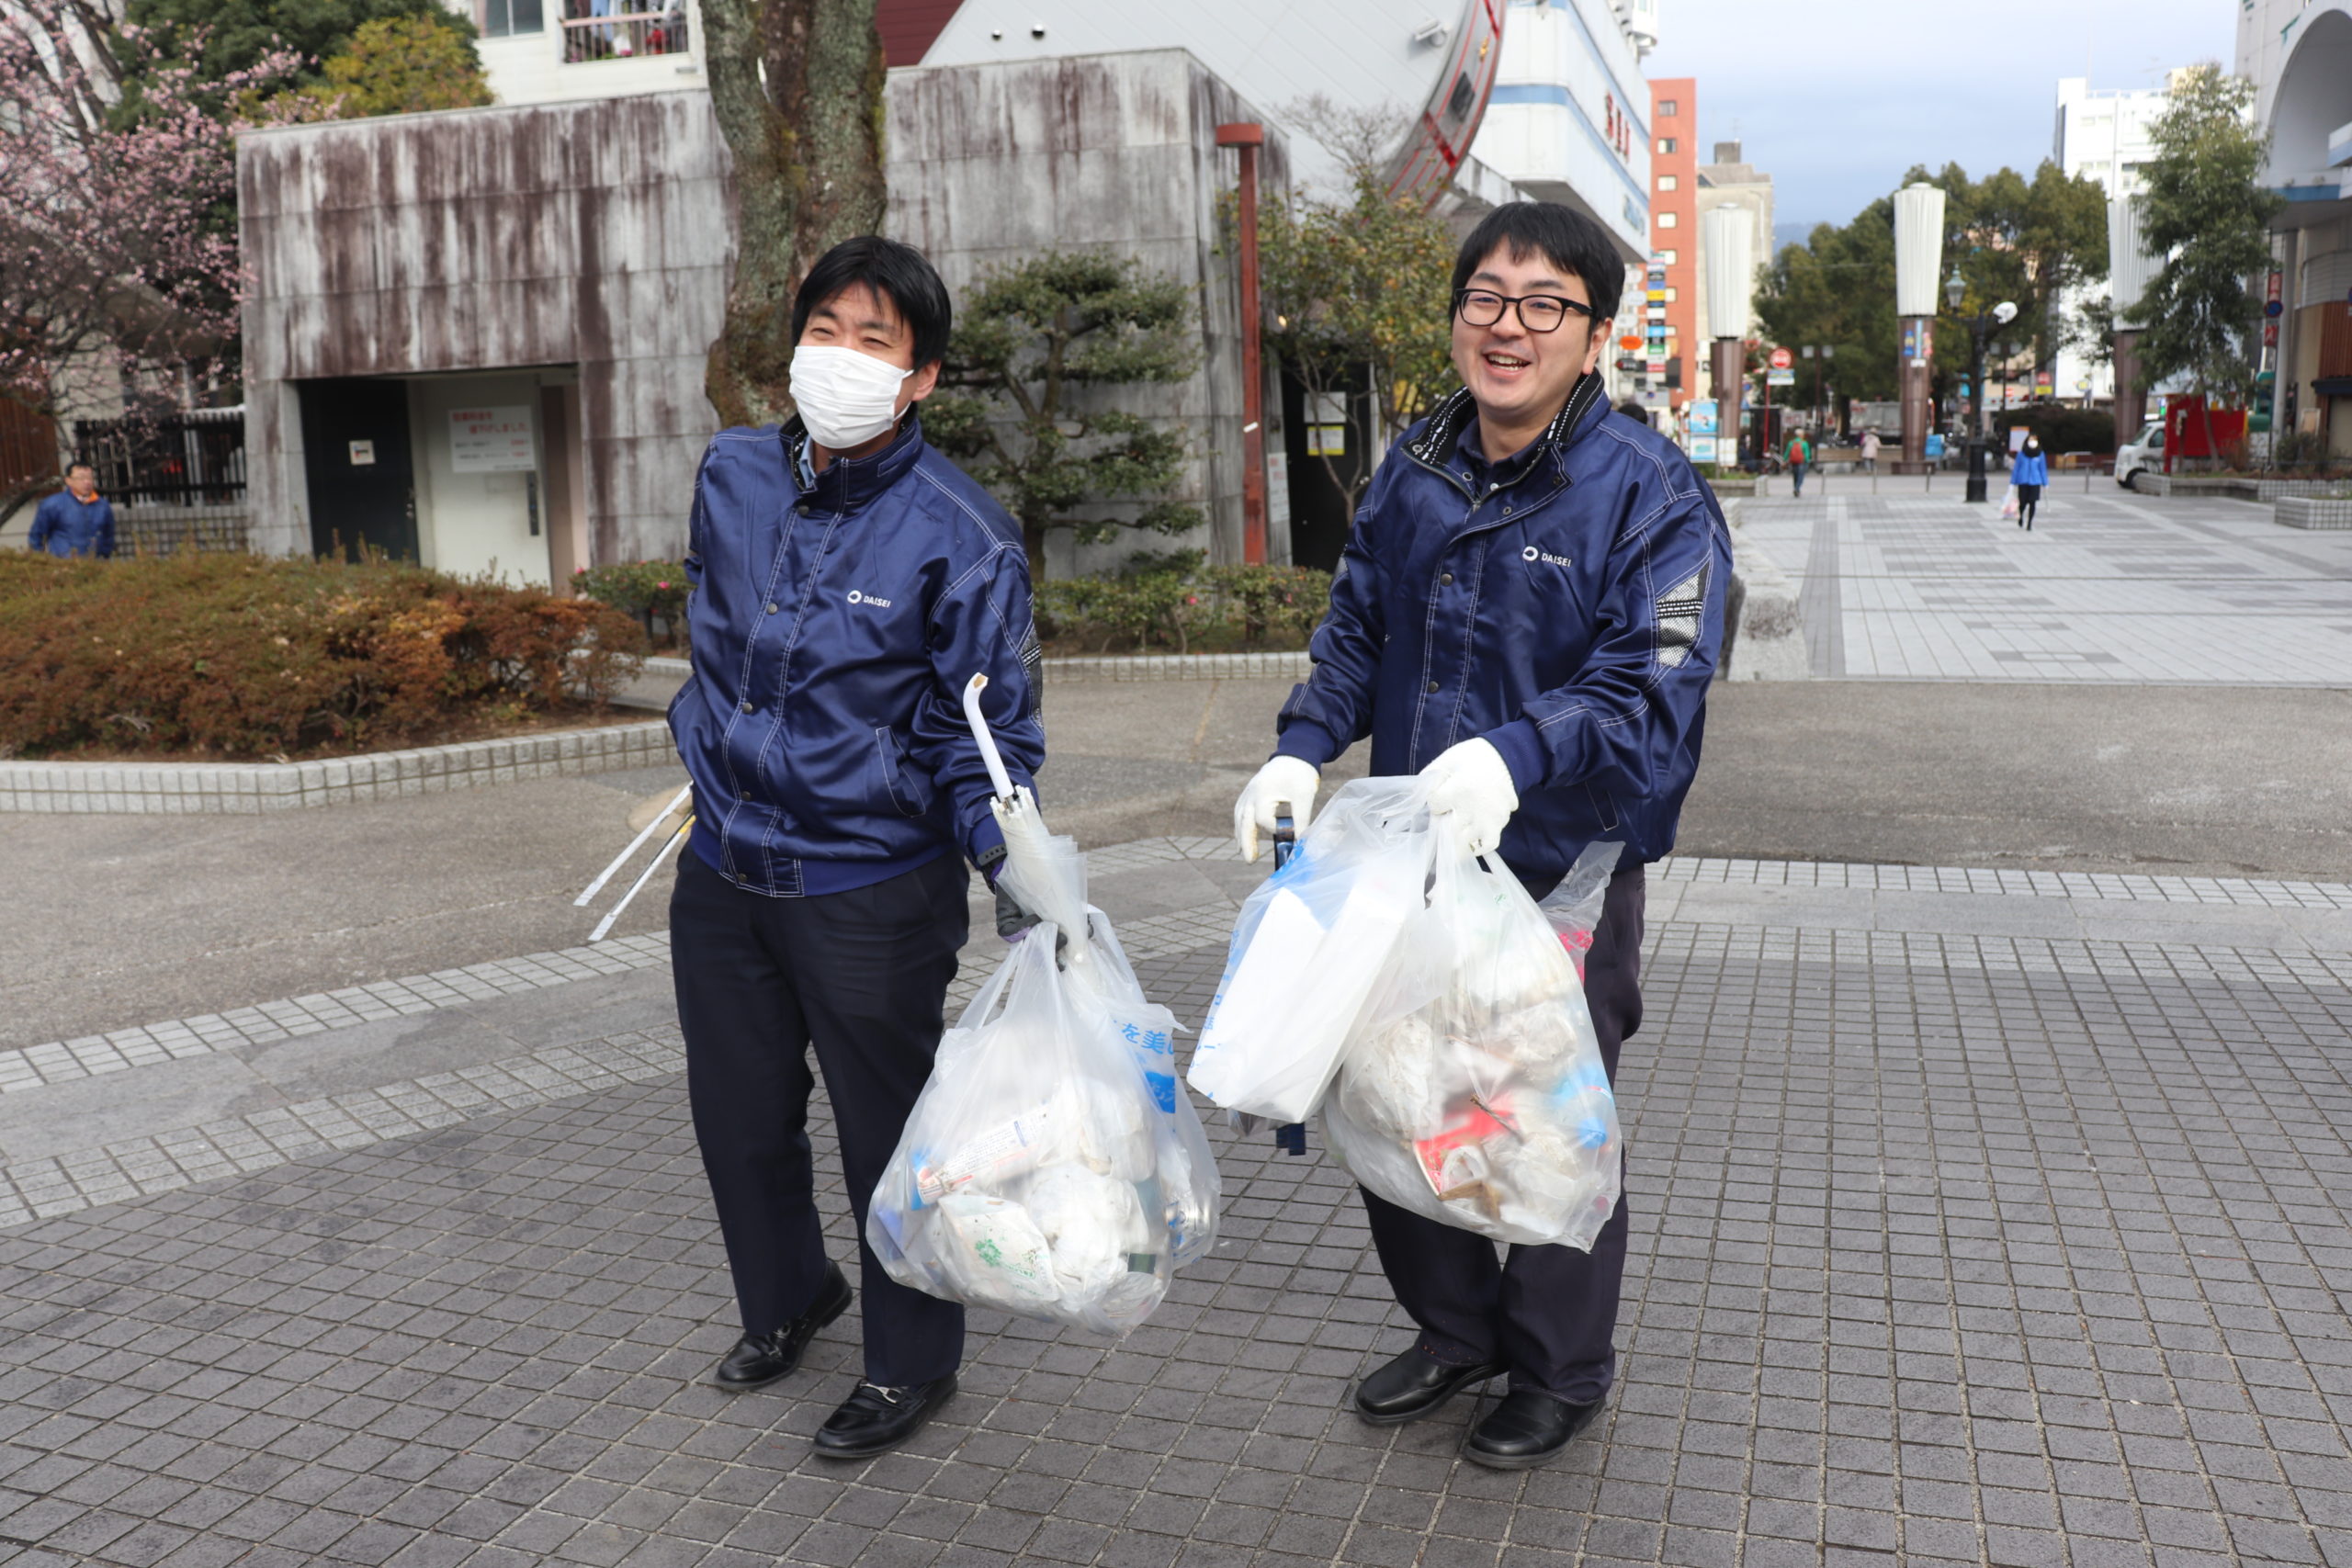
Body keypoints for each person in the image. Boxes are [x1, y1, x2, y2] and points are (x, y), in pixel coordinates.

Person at [1231, 202, 1731, 1470]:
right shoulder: (1415, 467)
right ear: (1456, 316)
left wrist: (1516, 752)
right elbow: (1355, 631)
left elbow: (1654, 684)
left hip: (1559, 860)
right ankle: (1456, 1329)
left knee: (1548, 1113)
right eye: (1486, 298)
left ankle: (1560, 1364)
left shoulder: (1649, 492)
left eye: (1544, 302)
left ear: (1595, 332)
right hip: (1411, 854)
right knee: (1399, 1088)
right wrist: (1301, 742)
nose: (1508, 325)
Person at [666, 236, 1046, 1461]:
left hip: (870, 881)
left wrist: (1017, 869)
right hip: (725, 862)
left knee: (890, 1135)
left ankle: (909, 1360)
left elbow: (986, 734)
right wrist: (706, 751)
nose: (839, 358)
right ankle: (787, 1296)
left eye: (873, 339)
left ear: (922, 376)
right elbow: (712, 635)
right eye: (824, 329)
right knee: (741, 1114)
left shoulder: (960, 533)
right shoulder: (731, 474)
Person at [28, 462, 116, 558]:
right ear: (68, 480)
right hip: (63, 564)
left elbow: (109, 537)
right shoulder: (52, 504)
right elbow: (37, 536)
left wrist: (104, 556)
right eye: (81, 478)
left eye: (90, 477)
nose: (87, 482)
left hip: (95, 565)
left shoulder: (102, 506)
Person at [2012, 433, 2048, 530]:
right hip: (2023, 481)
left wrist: (2045, 482)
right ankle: (2021, 517)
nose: (2032, 442)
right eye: (2030, 440)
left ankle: (2029, 523)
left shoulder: (2040, 454)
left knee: (2033, 502)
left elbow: (2043, 469)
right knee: (2022, 502)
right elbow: (2017, 468)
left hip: (2035, 481)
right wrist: (2013, 482)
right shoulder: (2021, 454)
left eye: (2034, 440)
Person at [1785, 426, 1812, 497]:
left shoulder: (1791, 443)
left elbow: (1787, 452)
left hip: (1793, 462)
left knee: (1795, 476)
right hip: (1802, 462)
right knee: (1801, 476)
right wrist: (1807, 460)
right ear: (1800, 435)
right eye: (1803, 434)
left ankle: (1796, 489)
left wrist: (1784, 460)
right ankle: (1797, 489)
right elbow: (1807, 454)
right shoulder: (1804, 443)